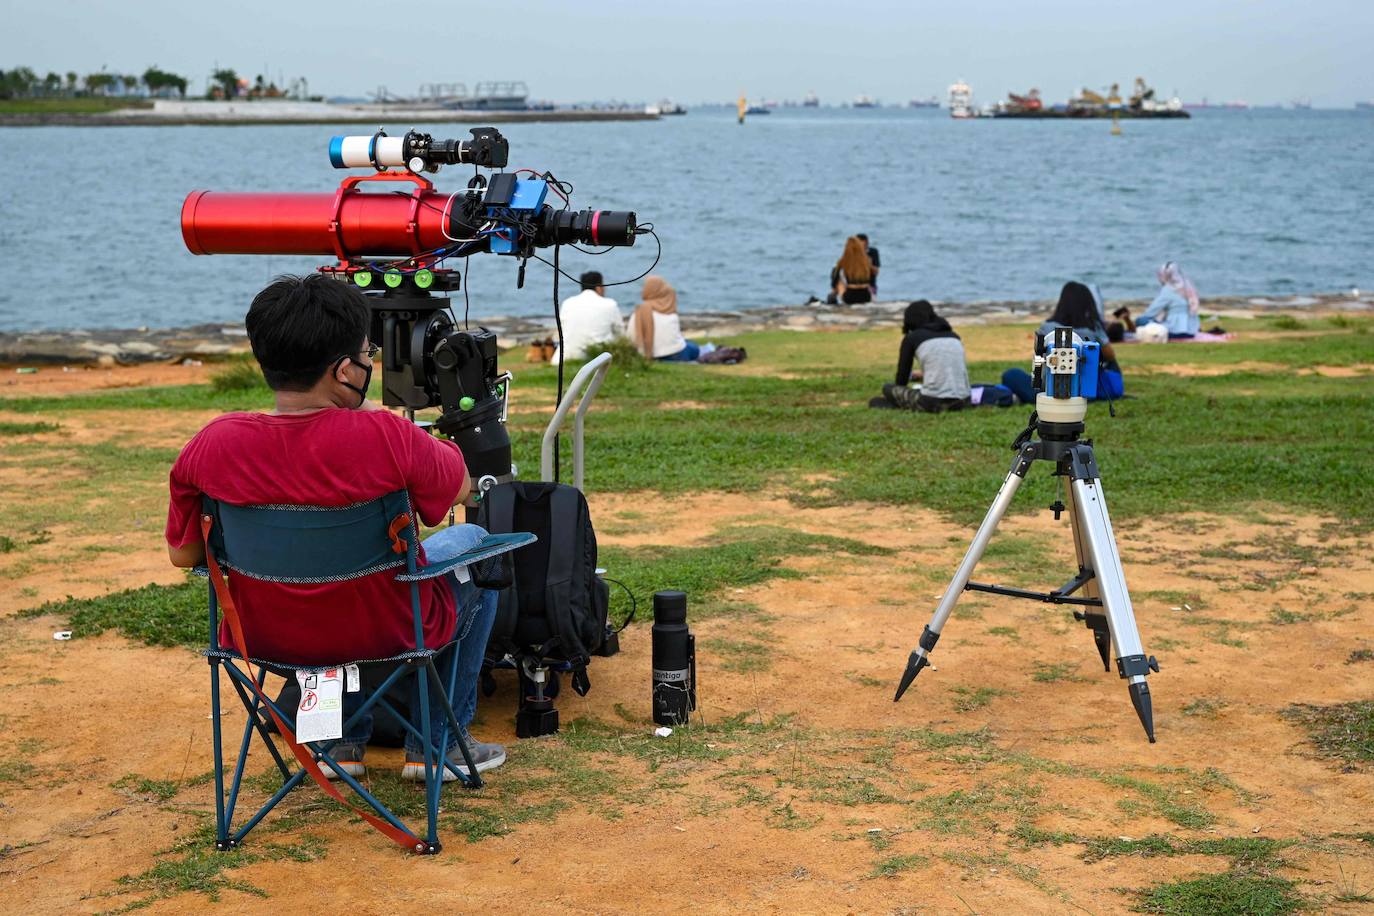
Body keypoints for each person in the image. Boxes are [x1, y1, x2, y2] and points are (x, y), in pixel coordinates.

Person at [165, 274, 505, 781]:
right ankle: (433, 746)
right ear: (345, 369)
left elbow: (185, 556)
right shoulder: (385, 435)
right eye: (366, 354)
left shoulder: (213, 444)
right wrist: (364, 408)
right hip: (389, 629)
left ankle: (340, 744)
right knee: (475, 543)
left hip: (265, 636)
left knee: (327, 592)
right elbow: (457, 490)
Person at [1001, 281, 1125, 404]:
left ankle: (1030, 396)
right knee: (1105, 362)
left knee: (1011, 375)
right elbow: (1110, 356)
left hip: (1049, 388)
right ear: (1088, 304)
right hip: (1084, 391)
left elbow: (1038, 360)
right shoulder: (1093, 328)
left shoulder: (1047, 327)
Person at [878, 300, 972, 412]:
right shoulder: (954, 336)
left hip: (932, 402)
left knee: (887, 388)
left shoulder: (912, 338)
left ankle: (896, 405)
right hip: (963, 401)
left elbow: (901, 380)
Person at [552, 270, 622, 365]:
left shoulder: (567, 303)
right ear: (599, 288)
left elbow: (563, 329)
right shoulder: (610, 304)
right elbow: (620, 334)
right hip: (598, 356)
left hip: (566, 356)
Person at [1122, 261, 1201, 340]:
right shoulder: (1188, 287)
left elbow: (1150, 312)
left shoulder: (1168, 289)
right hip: (1192, 332)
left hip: (1174, 332)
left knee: (1141, 320)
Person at [627, 275, 699, 361]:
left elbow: (630, 338)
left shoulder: (638, 313)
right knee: (693, 347)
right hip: (676, 355)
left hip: (647, 355)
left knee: (687, 343)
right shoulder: (669, 312)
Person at [830, 236, 876, 305]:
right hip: (866, 296)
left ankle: (832, 297)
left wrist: (834, 289)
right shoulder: (867, 261)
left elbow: (834, 281)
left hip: (850, 297)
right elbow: (872, 280)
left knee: (839, 282)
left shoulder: (843, 262)